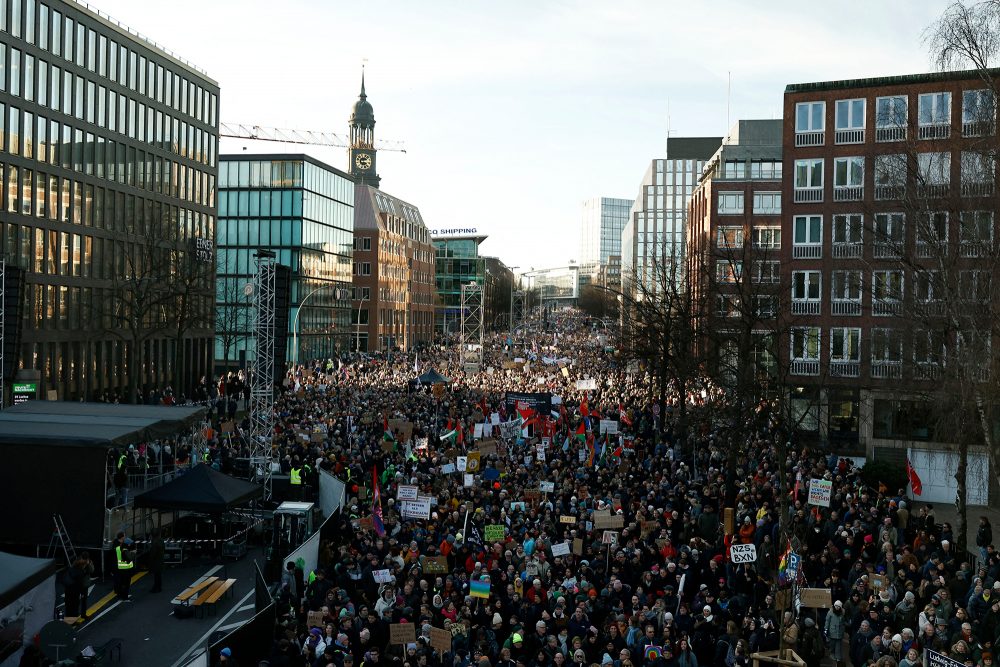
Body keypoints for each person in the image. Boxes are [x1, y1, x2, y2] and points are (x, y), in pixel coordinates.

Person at [113, 531, 134, 601]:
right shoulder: (125, 549)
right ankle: (125, 597)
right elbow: (129, 558)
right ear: (122, 538)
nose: (125, 537)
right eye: (124, 536)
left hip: (119, 567)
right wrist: (133, 553)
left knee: (120, 583)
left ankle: (119, 594)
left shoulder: (116, 546)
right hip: (126, 568)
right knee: (126, 584)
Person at [148, 528, 165, 593]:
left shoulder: (154, 542)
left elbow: (153, 553)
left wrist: (150, 559)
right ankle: (158, 587)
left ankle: (156, 588)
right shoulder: (161, 540)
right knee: (158, 575)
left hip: (155, 561)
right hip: (160, 559)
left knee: (156, 575)